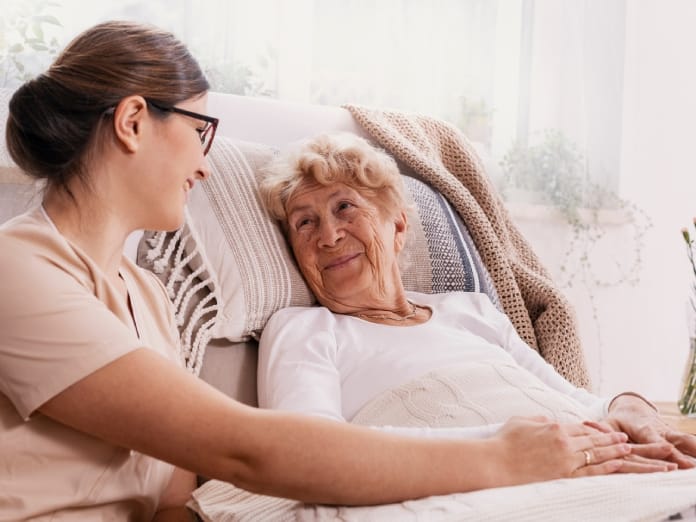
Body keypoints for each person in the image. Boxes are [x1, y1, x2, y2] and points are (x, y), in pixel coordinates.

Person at [0, 20, 641, 521]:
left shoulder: (147, 297)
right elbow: (241, 448)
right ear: (134, 122)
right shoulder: (18, 270)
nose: (205, 164)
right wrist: (501, 457)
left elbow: (172, 498)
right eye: (202, 130)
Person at [257, 132, 696, 472]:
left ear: (398, 227)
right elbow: (309, 455)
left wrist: (636, 409)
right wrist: (509, 450)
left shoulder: (472, 311)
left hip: (593, 465)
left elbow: (582, 403)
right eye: (304, 222)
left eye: (346, 208)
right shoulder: (304, 330)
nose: (329, 236)